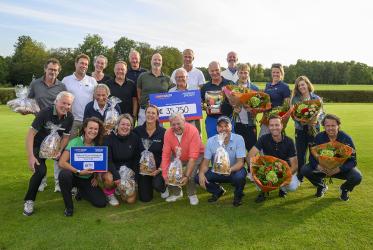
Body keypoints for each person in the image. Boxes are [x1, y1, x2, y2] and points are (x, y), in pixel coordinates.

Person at [23, 91, 74, 216]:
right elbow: (30, 134)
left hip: (55, 148)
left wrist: (60, 150)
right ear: (56, 102)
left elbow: (66, 137)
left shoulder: (69, 117)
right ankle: (29, 201)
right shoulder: (44, 113)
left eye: (68, 104)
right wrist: (31, 156)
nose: (66, 106)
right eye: (63, 103)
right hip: (38, 147)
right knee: (40, 171)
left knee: (68, 165)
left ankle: (73, 191)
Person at [28, 58, 67, 192]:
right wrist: (25, 110)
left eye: (55, 70)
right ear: (45, 69)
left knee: (57, 155)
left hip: (58, 126)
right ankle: (41, 181)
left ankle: (58, 182)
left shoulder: (62, 86)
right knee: (40, 154)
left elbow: (66, 104)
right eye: (50, 69)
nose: (53, 72)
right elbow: (29, 101)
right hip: (40, 125)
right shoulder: (35, 84)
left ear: (58, 71)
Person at [301, 114, 362, 201]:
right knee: (305, 169)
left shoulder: (346, 138)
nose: (330, 128)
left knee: (357, 176)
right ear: (324, 126)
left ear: (338, 126)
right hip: (323, 170)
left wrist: (339, 169)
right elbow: (312, 157)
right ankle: (321, 186)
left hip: (340, 170)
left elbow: (353, 161)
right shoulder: (318, 137)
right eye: (327, 126)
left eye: (333, 125)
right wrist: (319, 167)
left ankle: (344, 189)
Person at [58, 117, 107, 216]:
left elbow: (98, 163)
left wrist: (96, 177)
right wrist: (78, 171)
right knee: (64, 175)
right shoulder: (75, 142)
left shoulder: (98, 144)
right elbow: (62, 163)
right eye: (90, 128)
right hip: (74, 176)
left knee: (101, 203)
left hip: (87, 178)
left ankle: (82, 192)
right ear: (85, 128)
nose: (93, 131)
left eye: (95, 129)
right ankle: (69, 207)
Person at [196, 116, 246, 207]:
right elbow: (206, 162)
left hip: (234, 170)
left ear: (231, 127)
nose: (223, 129)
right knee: (198, 177)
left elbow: (240, 162)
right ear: (217, 128)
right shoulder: (211, 141)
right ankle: (218, 191)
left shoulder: (239, 139)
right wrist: (201, 174)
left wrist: (229, 170)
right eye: (220, 126)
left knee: (240, 177)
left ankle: (238, 195)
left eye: (226, 126)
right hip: (217, 170)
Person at [247, 115, 299, 203]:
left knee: (293, 186)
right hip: (268, 168)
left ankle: (282, 189)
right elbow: (250, 155)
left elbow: (295, 165)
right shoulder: (263, 139)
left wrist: (282, 177)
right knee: (255, 176)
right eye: (271, 125)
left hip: (284, 170)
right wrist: (254, 170)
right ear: (268, 127)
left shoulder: (289, 141)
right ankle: (263, 191)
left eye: (277, 125)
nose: (274, 128)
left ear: (282, 126)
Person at [161, 113, 204, 205]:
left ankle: (191, 194)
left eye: (178, 123)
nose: (176, 127)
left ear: (184, 122)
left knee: (191, 174)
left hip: (196, 155)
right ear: (170, 125)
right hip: (178, 155)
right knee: (170, 171)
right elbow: (165, 155)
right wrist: (165, 175)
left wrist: (186, 176)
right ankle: (177, 193)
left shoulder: (193, 131)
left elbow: (193, 157)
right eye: (173, 124)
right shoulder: (168, 133)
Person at [102, 114, 141, 206]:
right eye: (123, 124)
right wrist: (116, 176)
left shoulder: (134, 138)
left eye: (128, 125)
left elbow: (136, 159)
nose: (125, 127)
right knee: (109, 179)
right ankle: (110, 193)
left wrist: (134, 177)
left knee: (130, 200)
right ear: (117, 125)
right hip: (112, 170)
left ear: (131, 127)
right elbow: (108, 160)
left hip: (128, 172)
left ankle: (119, 189)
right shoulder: (109, 138)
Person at [290, 76, 323, 182]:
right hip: (300, 130)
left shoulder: (317, 98)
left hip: (314, 129)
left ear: (308, 85)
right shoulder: (295, 99)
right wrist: (300, 119)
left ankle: (315, 174)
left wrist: (316, 118)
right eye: (299, 85)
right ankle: (300, 175)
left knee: (314, 154)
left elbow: (322, 113)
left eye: (303, 84)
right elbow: (293, 115)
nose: (301, 87)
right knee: (300, 154)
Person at [134, 105, 168, 202]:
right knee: (145, 198)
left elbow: (167, 153)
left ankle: (163, 188)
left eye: (153, 113)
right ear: (145, 114)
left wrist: (159, 169)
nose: (150, 115)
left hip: (158, 168)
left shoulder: (163, 132)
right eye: (148, 112)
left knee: (157, 184)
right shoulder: (137, 131)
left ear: (157, 116)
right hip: (143, 168)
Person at [222, 63, 259, 151]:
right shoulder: (232, 87)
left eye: (245, 73)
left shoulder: (254, 88)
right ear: (237, 73)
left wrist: (252, 109)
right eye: (241, 72)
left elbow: (259, 107)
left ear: (248, 73)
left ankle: (251, 165)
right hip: (237, 123)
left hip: (251, 124)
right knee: (238, 150)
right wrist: (234, 108)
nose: (243, 75)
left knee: (252, 150)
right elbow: (228, 104)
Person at [62, 53, 97, 139]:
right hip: (71, 120)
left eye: (86, 64)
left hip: (88, 121)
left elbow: (96, 99)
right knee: (70, 147)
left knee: (86, 148)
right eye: (81, 63)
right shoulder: (66, 80)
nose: (84, 66)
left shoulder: (92, 80)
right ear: (76, 64)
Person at [137, 53, 173, 126]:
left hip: (160, 113)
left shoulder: (167, 79)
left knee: (158, 136)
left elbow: (172, 95)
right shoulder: (143, 76)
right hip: (144, 111)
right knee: (140, 134)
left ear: (162, 62)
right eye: (155, 59)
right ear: (151, 61)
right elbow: (138, 93)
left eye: (159, 60)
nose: (157, 62)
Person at [200, 61, 233, 138]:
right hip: (212, 120)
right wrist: (204, 106)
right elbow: (201, 103)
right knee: (213, 144)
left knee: (230, 144)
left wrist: (228, 94)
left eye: (217, 70)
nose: (214, 73)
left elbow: (236, 101)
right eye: (212, 71)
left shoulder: (230, 84)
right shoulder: (205, 87)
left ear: (220, 70)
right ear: (209, 71)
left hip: (228, 118)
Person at [259, 63, 291, 137]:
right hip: (266, 120)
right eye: (273, 72)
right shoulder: (268, 85)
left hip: (277, 121)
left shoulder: (285, 87)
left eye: (277, 72)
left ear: (281, 73)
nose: (275, 74)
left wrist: (283, 123)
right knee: (262, 143)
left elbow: (287, 107)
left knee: (276, 143)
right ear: (271, 73)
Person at [169, 68, 202, 133]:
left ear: (187, 78)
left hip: (193, 123)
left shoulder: (195, 89)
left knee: (194, 141)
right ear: (175, 79)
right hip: (177, 125)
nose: (180, 79)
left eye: (182, 77)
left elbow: (200, 104)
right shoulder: (171, 91)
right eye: (178, 77)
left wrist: (200, 104)